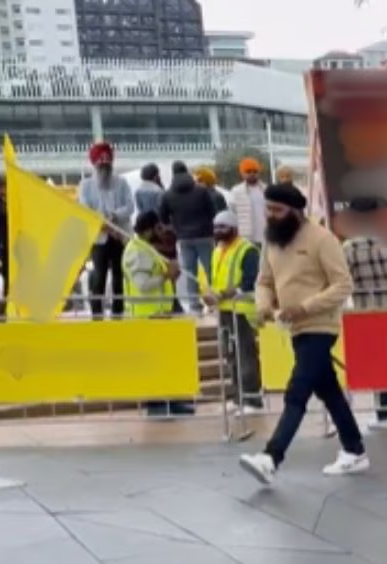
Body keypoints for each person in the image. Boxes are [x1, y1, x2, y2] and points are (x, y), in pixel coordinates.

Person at [238, 183, 366, 485]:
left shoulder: (322, 239)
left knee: (297, 391)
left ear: (295, 211)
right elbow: (264, 281)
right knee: (328, 391)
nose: (270, 215)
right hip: (292, 327)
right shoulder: (271, 242)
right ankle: (354, 449)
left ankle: (271, 457)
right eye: (268, 209)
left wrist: (304, 308)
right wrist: (262, 305)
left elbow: (343, 285)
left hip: (320, 325)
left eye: (277, 210)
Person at [341, 197, 387, 431]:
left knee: (380, 363)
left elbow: (343, 283)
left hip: (368, 314)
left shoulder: (350, 248)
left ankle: (386, 414)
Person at [122, 210, 192, 419]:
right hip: (147, 315)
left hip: (160, 313)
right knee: (153, 363)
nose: (162, 232)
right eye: (158, 228)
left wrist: (170, 274)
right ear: (147, 230)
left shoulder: (146, 248)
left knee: (165, 361)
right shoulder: (137, 252)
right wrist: (166, 276)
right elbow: (142, 285)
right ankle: (157, 404)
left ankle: (171, 401)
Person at [205, 210, 263, 414]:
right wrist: (210, 295)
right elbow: (216, 279)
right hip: (224, 311)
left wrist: (225, 294)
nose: (218, 231)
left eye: (223, 227)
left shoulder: (247, 250)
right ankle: (238, 396)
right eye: (216, 227)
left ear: (234, 228)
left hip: (242, 310)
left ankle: (253, 399)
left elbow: (250, 281)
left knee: (245, 355)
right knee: (230, 354)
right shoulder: (217, 251)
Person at [78, 142, 134, 318]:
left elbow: (129, 206)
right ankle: (97, 314)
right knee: (99, 275)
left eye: (107, 161)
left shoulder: (122, 182)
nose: (105, 165)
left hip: (120, 236)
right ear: (94, 164)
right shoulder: (86, 184)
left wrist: (114, 217)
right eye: (101, 162)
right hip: (99, 237)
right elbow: (85, 208)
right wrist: (103, 222)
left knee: (119, 276)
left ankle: (118, 313)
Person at [159, 161, 218, 315]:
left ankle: (194, 305)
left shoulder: (168, 195)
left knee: (190, 272)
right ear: (187, 171)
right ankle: (215, 301)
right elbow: (213, 212)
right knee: (211, 269)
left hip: (184, 238)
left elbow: (163, 218)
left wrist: (175, 226)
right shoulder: (201, 191)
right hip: (205, 235)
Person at [229, 157, 267, 246]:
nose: (252, 174)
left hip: (265, 235)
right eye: (248, 171)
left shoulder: (266, 190)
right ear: (242, 173)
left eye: (255, 171)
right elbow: (232, 213)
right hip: (245, 236)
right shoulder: (236, 191)